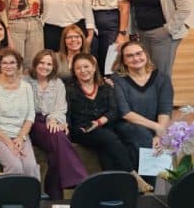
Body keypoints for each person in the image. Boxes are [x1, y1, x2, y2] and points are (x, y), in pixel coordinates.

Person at [66, 53, 153, 192]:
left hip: (103, 126)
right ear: (74, 71)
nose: (83, 70)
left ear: (94, 68)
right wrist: (70, 128)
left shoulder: (105, 86)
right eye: (78, 68)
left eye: (86, 66)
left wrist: (99, 122)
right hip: (82, 130)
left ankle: (114, 191)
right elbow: (67, 114)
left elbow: (114, 111)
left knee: (106, 149)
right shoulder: (69, 89)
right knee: (108, 138)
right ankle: (133, 176)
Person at [23, 49, 87, 200]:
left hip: (52, 121)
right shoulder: (25, 81)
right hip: (32, 122)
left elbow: (60, 107)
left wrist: (55, 120)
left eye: (49, 64)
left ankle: (54, 196)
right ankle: (79, 178)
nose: (45, 67)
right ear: (35, 64)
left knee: (56, 145)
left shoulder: (58, 83)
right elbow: (24, 107)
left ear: (54, 66)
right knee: (58, 135)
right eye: (42, 63)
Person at [112, 41, 173, 180]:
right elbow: (125, 112)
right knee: (142, 136)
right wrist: (156, 127)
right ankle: (146, 187)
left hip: (154, 127)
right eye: (130, 56)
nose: (136, 58)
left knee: (164, 140)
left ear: (145, 54)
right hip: (127, 125)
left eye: (139, 53)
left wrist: (159, 133)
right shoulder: (118, 79)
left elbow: (165, 108)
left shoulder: (162, 78)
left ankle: (154, 189)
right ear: (124, 60)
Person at [0, 48, 38, 179]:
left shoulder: (26, 87)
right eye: (4, 63)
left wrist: (20, 137)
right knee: (15, 166)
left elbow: (30, 116)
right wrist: (9, 142)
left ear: (18, 65)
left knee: (30, 166)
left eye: (12, 62)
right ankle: (11, 198)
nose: (9, 66)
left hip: (20, 134)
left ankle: (31, 199)